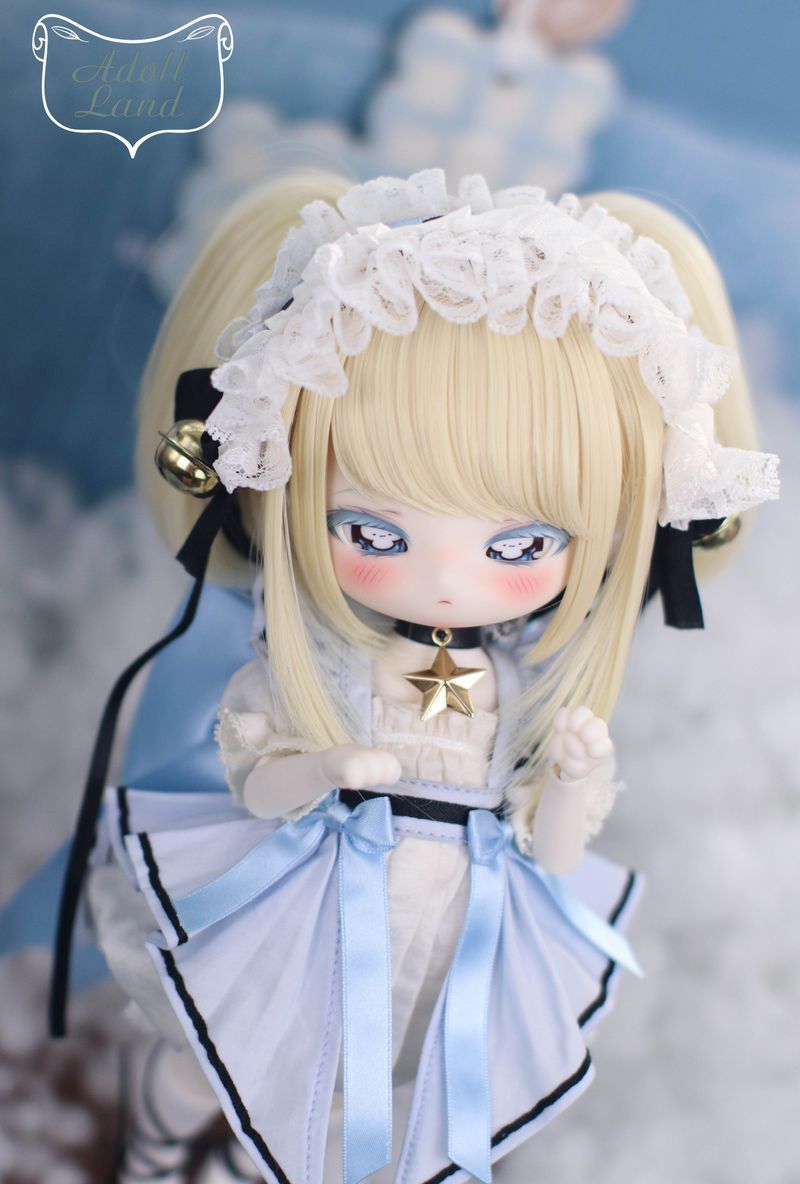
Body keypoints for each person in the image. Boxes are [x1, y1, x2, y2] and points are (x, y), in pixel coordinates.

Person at [86, 168, 778, 1183]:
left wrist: (573, 782)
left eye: (521, 544)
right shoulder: (328, 664)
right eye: (373, 531)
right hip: (315, 906)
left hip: (457, 928)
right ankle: (155, 1141)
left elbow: (551, 852)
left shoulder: (522, 690)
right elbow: (256, 785)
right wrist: (321, 768)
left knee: (370, 1087)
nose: (450, 578)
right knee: (225, 1056)